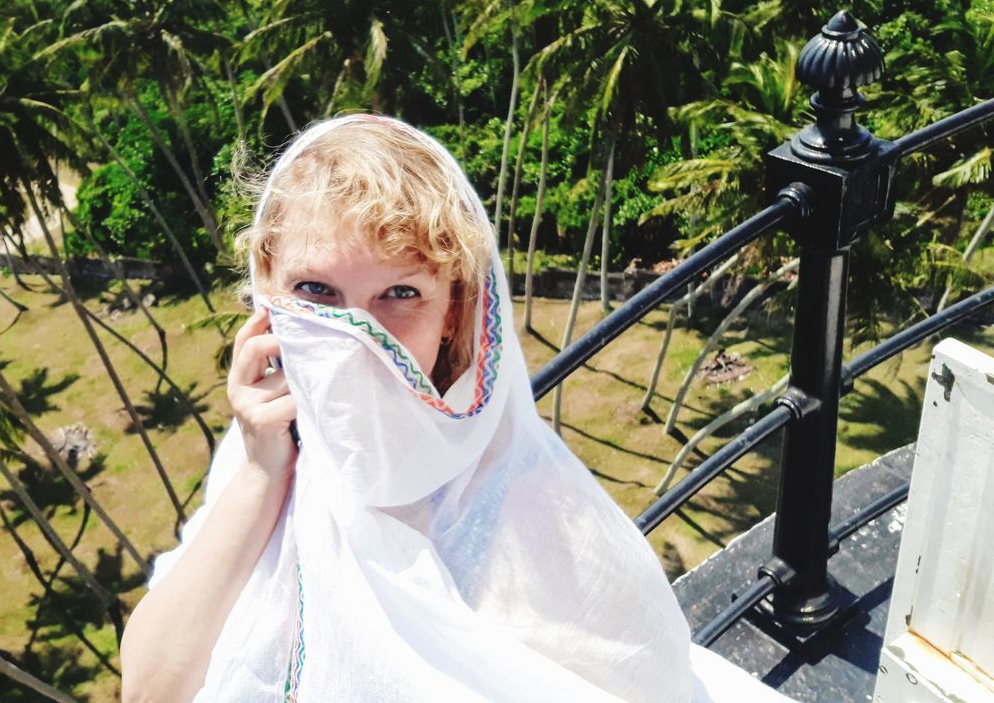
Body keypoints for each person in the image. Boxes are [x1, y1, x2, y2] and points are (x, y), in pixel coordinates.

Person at [120, 113, 792, 702]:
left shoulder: (513, 498)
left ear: (453, 313)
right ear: (267, 293)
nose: (359, 337)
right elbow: (151, 689)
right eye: (316, 290)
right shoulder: (262, 444)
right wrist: (265, 474)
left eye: (400, 295)